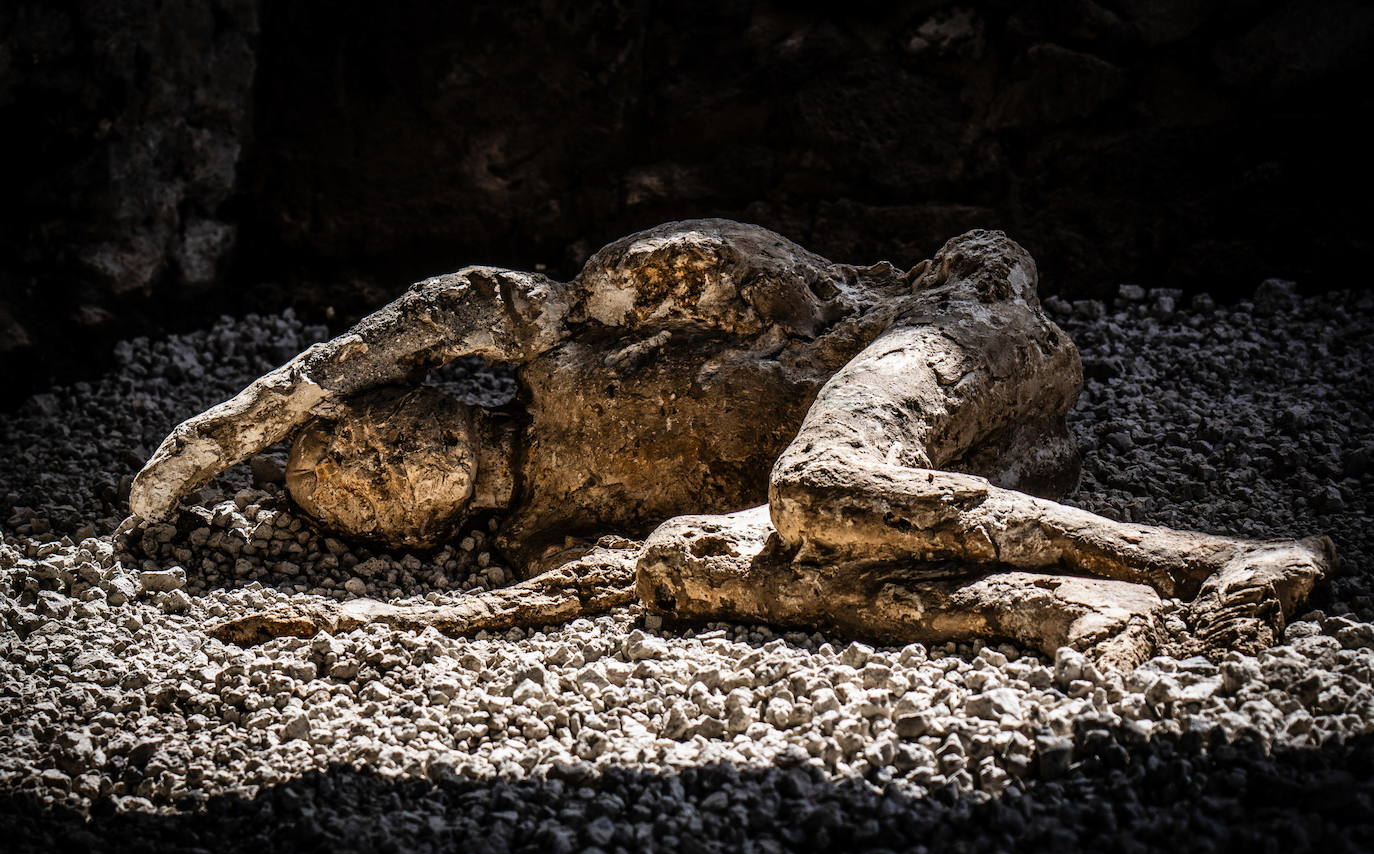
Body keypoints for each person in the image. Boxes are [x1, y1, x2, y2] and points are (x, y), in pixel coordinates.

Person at [130, 220, 1334, 666]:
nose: (393, 487)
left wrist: (241, 423)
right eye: (374, 507)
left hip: (962, 340)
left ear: (420, 406)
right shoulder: (549, 530)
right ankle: (1052, 597)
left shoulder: (570, 328)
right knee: (702, 556)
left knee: (817, 484)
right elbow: (591, 596)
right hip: (954, 474)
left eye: (374, 453)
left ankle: (1209, 554)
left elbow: (460, 298)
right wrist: (353, 620)